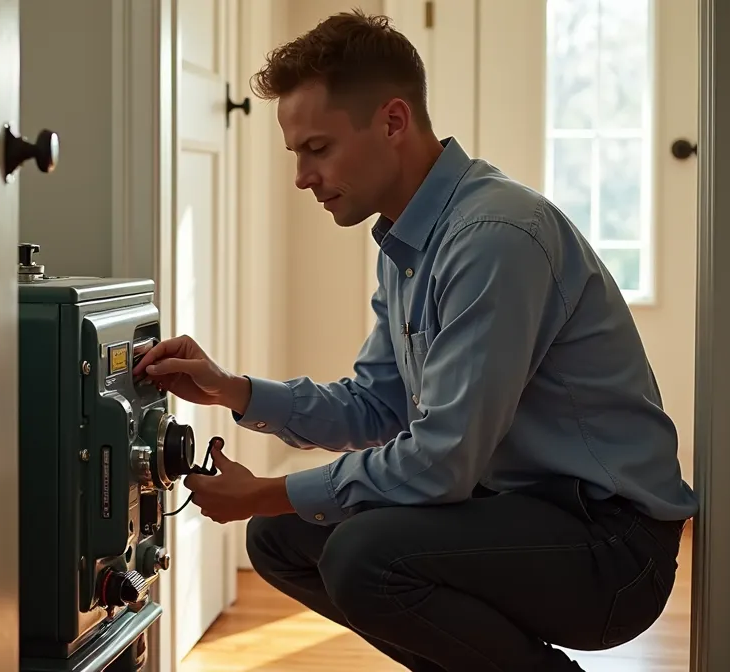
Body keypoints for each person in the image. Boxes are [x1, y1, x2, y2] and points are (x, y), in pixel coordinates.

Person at [130, 9, 698, 672]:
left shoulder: (494, 238)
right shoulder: (408, 243)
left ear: (393, 122)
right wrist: (235, 390)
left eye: (318, 148)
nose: (302, 177)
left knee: (363, 554)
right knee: (281, 540)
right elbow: (377, 407)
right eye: (296, 154)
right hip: (520, 511)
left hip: (608, 548)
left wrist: (266, 489)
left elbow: (440, 462)